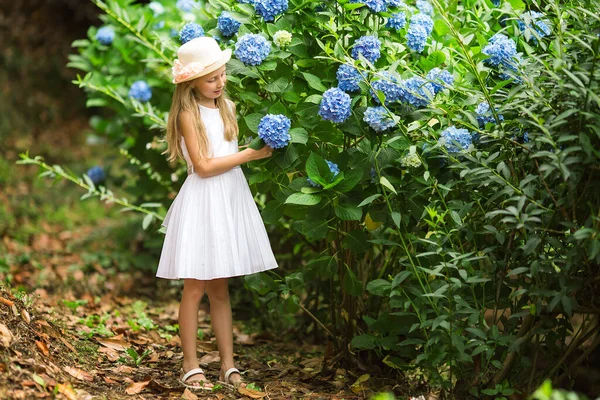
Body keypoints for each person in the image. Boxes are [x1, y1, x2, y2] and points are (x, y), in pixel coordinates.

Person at [156, 36, 279, 391]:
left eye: (222, 75)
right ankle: (190, 364)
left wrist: (247, 151)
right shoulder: (186, 115)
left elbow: (225, 150)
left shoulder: (227, 107)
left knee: (220, 288)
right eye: (212, 78)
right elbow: (205, 166)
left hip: (228, 199)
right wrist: (249, 155)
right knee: (194, 287)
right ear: (191, 82)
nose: (220, 82)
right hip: (203, 200)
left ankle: (228, 365)